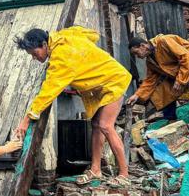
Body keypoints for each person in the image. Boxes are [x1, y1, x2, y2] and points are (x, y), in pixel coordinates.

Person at [14, 26, 132, 187]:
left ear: (44, 44)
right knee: (96, 125)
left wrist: (26, 120)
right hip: (104, 82)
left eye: (35, 54)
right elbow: (93, 35)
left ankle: (124, 174)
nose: (35, 58)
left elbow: (47, 92)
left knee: (105, 125)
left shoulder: (60, 57)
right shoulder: (65, 36)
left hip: (114, 81)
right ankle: (96, 170)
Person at [127, 34, 189, 138]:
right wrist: (137, 95)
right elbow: (150, 80)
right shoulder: (150, 61)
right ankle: (171, 119)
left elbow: (185, 56)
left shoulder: (164, 41)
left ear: (142, 46)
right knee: (165, 90)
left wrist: (180, 80)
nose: (138, 57)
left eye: (136, 53)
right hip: (180, 67)